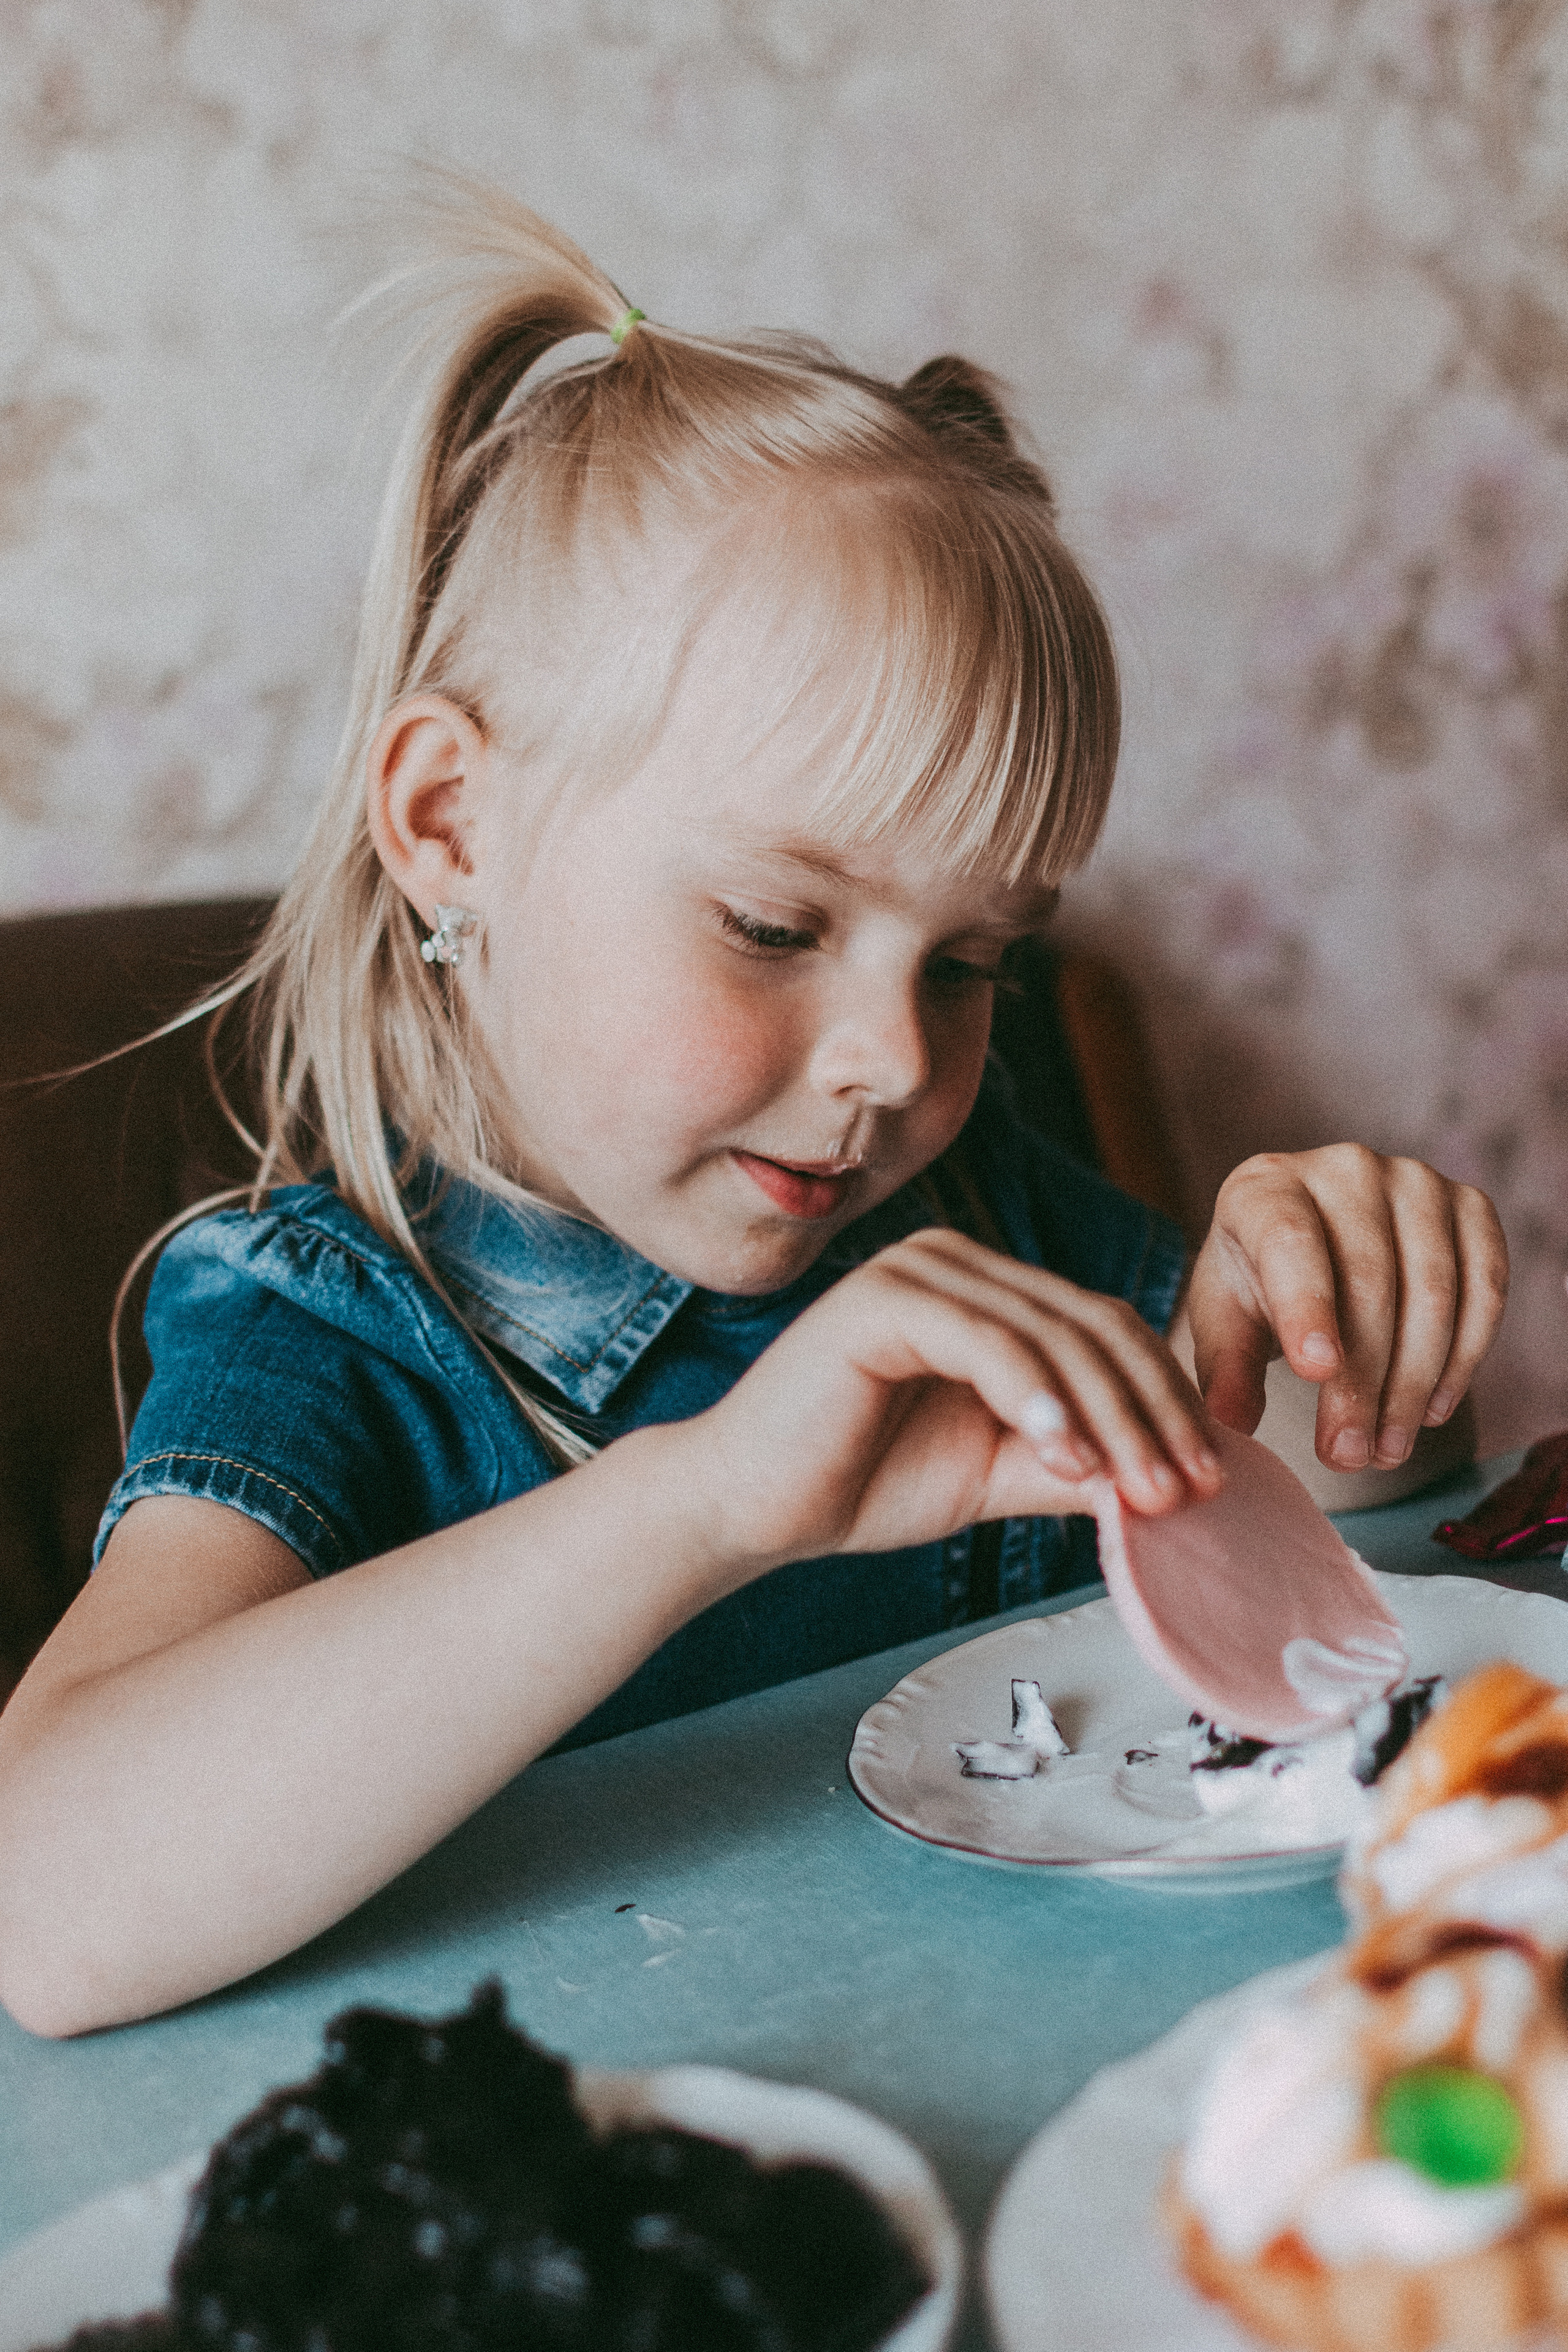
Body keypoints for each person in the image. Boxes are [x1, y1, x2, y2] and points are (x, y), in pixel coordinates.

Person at [0, 192, 1507, 2039]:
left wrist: (1340, 1338)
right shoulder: (329, 1323)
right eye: (775, 927)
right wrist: (704, 1503)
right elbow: (47, 1908)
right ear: (452, 826)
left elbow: (1345, 1533)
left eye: (972, 964)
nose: (896, 1057)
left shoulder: (974, 1226)